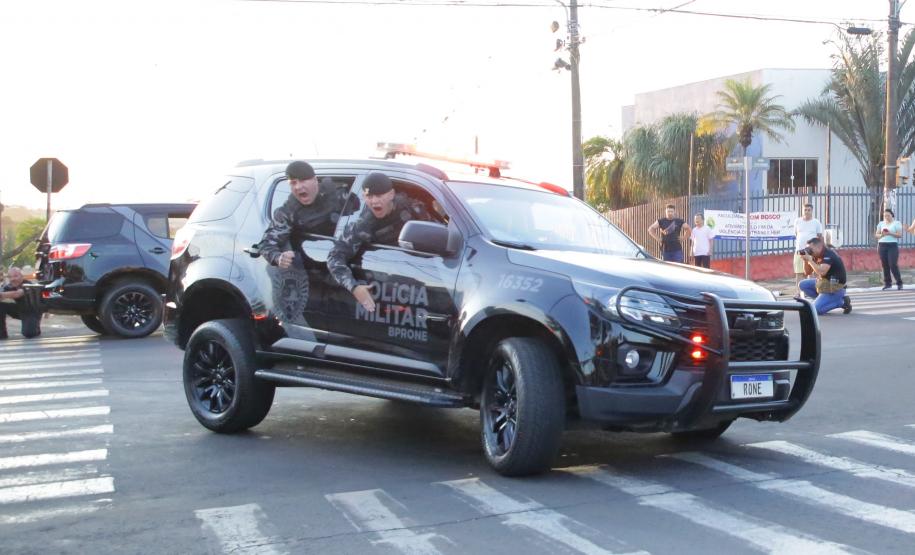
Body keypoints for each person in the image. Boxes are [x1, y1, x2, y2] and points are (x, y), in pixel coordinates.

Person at [327, 172, 430, 312]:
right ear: (364, 197)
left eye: (379, 195)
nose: (374, 201)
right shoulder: (364, 225)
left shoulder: (412, 208)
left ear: (391, 194)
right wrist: (354, 288)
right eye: (369, 196)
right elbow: (334, 257)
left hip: (426, 273)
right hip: (390, 278)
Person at [260, 161, 349, 269]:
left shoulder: (336, 194)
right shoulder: (288, 211)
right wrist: (278, 258)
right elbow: (266, 244)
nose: (298, 187)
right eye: (293, 183)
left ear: (315, 180)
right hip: (316, 265)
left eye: (303, 180)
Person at [798, 237, 851, 315]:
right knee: (803, 284)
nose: (809, 250)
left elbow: (822, 272)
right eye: (807, 248)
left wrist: (810, 260)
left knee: (815, 310)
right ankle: (822, 301)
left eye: (810, 248)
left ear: (819, 247)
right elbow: (807, 272)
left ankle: (842, 302)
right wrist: (806, 260)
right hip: (824, 283)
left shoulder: (828, 254)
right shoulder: (815, 255)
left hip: (835, 287)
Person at [0, 267, 42, 339]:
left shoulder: (28, 285)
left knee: (29, 334)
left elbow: (18, 294)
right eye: (10, 277)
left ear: (22, 276)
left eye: (16, 276)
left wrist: (2, 295)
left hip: (31, 312)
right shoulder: (7, 286)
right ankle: (2, 334)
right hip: (18, 310)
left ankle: (36, 327)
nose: (13, 279)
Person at [793, 204, 823, 296]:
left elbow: (819, 236)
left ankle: (810, 291)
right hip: (800, 250)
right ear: (802, 211)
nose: (806, 212)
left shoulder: (816, 222)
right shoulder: (797, 221)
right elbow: (796, 234)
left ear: (812, 211)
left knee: (811, 272)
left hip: (811, 251)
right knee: (799, 272)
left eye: (808, 210)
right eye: (805, 210)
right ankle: (798, 291)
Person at [875, 208, 904, 290]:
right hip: (882, 245)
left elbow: (899, 235)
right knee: (885, 265)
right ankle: (888, 283)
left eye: (888, 215)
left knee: (893, 264)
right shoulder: (881, 223)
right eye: (885, 216)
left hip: (892, 245)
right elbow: (876, 234)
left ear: (892, 215)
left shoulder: (897, 223)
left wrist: (889, 233)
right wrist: (882, 235)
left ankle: (899, 283)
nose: (886, 217)